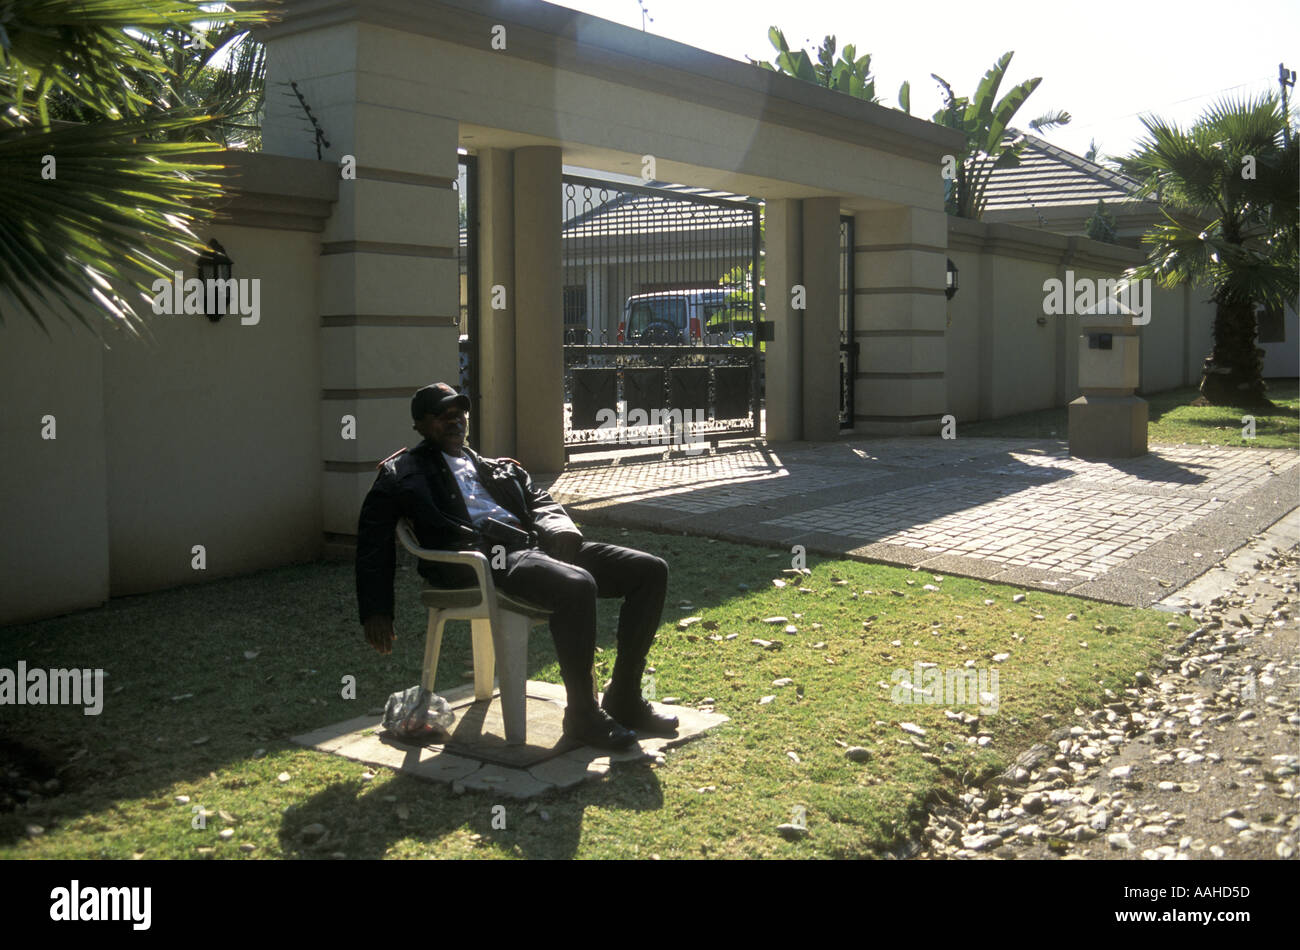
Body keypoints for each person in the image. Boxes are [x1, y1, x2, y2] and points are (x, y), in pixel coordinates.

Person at [356, 382, 677, 750]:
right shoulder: (403, 473)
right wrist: (376, 610)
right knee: (577, 585)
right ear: (420, 425)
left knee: (650, 571)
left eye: (459, 412)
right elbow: (372, 538)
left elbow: (539, 499)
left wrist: (560, 529)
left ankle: (624, 698)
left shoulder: (493, 467)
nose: (455, 420)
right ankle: (583, 716)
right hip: (486, 559)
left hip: (536, 547)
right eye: (443, 415)